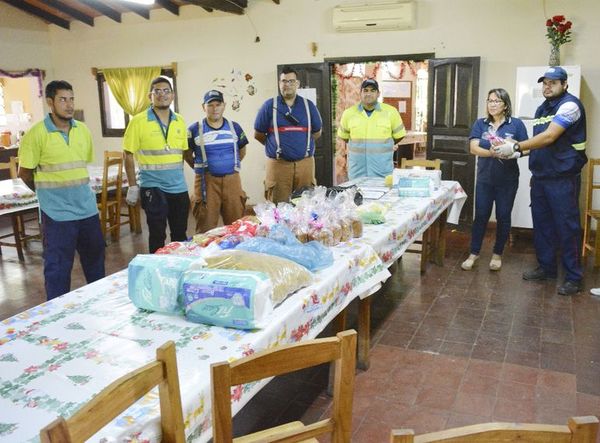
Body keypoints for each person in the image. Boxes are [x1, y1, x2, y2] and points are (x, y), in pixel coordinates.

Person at [493, 66, 587, 295]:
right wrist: (517, 153)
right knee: (542, 225)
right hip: (542, 177)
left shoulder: (570, 105)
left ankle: (574, 277)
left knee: (567, 227)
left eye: (553, 83)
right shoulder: (541, 108)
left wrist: (515, 146)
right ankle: (547, 268)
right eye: (545, 83)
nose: (547, 86)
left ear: (564, 85)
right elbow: (539, 144)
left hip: (563, 178)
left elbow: (550, 136)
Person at [18, 80, 105, 300]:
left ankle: (101, 303)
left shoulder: (82, 130)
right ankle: (54, 314)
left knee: (95, 262)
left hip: (86, 209)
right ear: (50, 102)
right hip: (56, 213)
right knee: (58, 268)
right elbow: (25, 174)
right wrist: (48, 196)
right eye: (62, 99)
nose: (68, 105)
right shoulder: (36, 134)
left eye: (71, 99)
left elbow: (81, 167)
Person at [461, 88, 527, 272]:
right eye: (490, 101)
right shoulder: (480, 124)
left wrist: (512, 151)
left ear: (505, 105)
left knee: (503, 216)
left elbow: (527, 148)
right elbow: (474, 148)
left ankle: (497, 254)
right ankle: (474, 253)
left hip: (508, 180)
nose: (492, 104)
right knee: (481, 216)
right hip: (485, 179)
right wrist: (491, 152)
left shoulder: (517, 125)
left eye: (497, 101)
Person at [123, 76, 189, 253]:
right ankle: (157, 274)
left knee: (180, 235)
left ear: (172, 95)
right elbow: (128, 154)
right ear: (149, 96)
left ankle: (179, 270)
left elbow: (181, 153)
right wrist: (133, 186)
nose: (162, 94)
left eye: (166, 91)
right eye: (157, 91)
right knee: (157, 235)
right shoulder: (138, 121)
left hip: (178, 187)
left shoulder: (180, 121)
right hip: (153, 187)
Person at [254, 66, 322, 204]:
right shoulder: (269, 106)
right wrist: (277, 147)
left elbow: (316, 132)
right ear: (279, 83)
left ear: (297, 84)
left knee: (305, 208)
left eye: (291, 81)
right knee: (278, 209)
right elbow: (258, 134)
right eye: (284, 81)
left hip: (305, 165)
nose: (287, 85)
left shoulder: (309, 106)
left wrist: (301, 146)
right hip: (278, 166)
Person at [185, 90, 249, 233]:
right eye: (210, 105)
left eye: (218, 104)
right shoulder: (194, 129)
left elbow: (242, 151)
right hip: (205, 183)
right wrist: (202, 169)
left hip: (232, 180)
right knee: (205, 228)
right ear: (203, 107)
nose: (215, 108)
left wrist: (228, 166)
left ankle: (236, 254)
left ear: (224, 106)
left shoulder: (235, 127)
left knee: (236, 227)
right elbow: (187, 155)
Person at [337, 79, 406, 180]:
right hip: (357, 172)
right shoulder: (349, 113)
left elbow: (399, 135)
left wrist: (384, 145)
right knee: (356, 195)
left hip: (382, 172)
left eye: (373, 90)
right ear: (360, 93)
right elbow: (345, 137)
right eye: (365, 90)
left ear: (378, 94)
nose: (368, 94)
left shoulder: (391, 112)